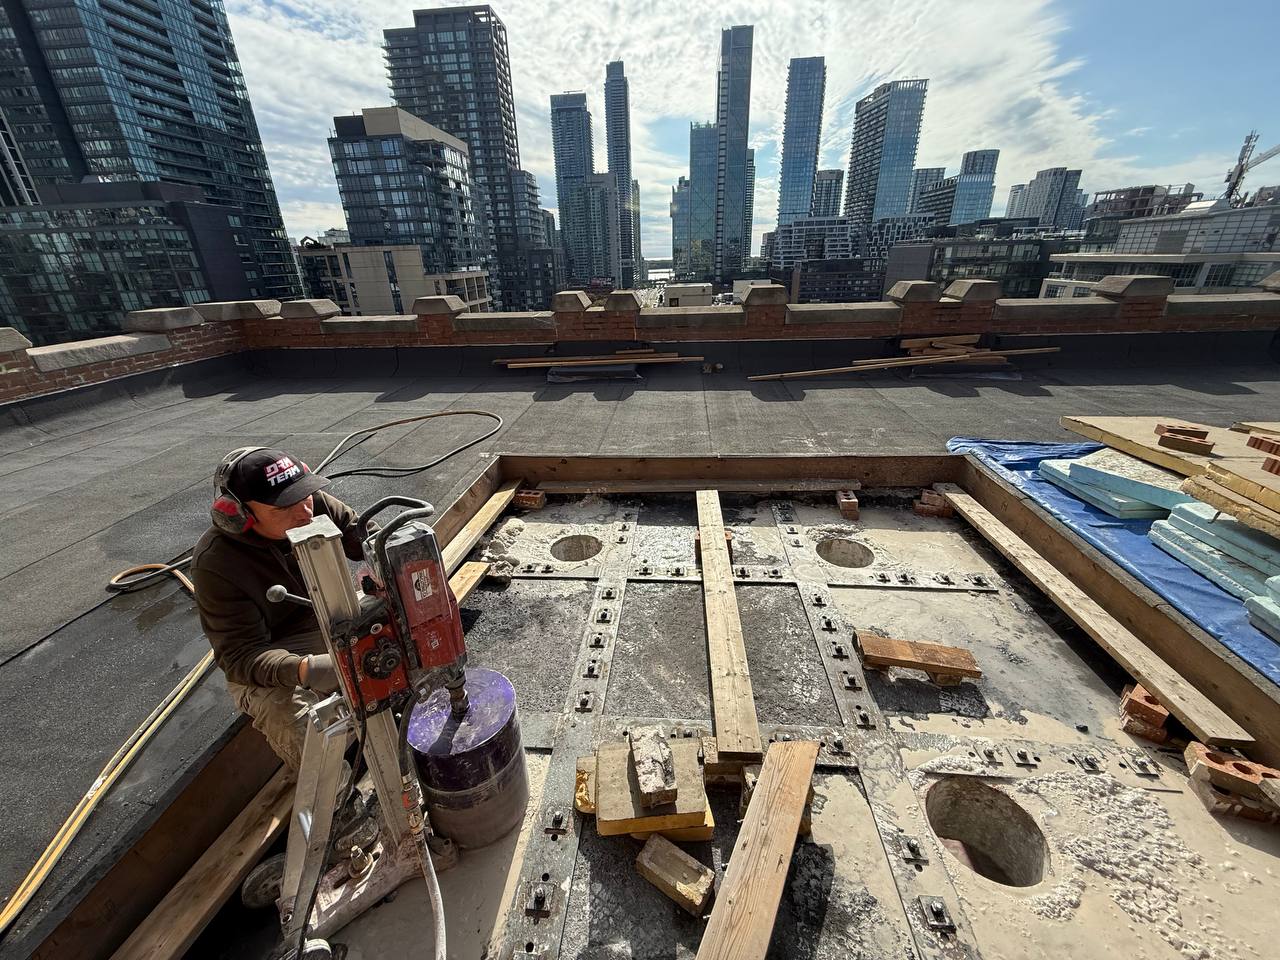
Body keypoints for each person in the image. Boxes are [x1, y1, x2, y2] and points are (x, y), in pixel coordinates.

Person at [192, 447, 367, 769]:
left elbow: (364, 536)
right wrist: (310, 670)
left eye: (306, 495)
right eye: (284, 506)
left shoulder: (311, 506)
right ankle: (341, 796)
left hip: (324, 614)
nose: (304, 513)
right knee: (284, 710)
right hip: (274, 647)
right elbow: (241, 657)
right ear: (238, 514)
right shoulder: (216, 563)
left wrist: (385, 557)